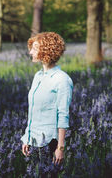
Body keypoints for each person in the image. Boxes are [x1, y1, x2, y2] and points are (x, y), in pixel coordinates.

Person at [21, 32, 73, 177]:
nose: (30, 52)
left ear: (47, 51)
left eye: (35, 48)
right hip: (33, 142)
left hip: (50, 144)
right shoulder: (38, 77)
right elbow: (33, 112)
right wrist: (27, 138)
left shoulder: (62, 80)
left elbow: (63, 115)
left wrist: (60, 148)